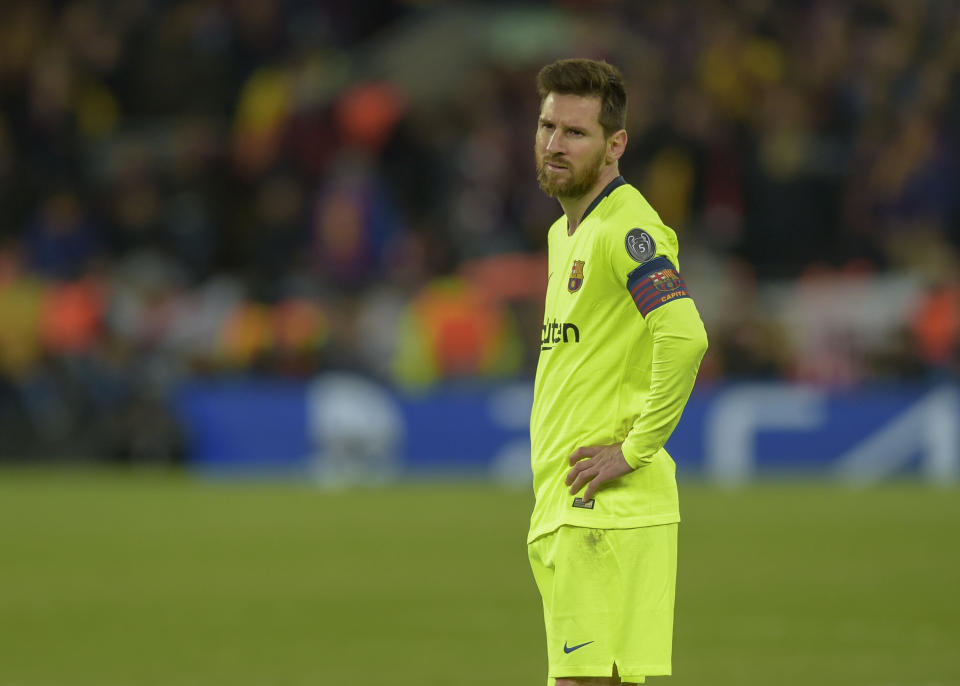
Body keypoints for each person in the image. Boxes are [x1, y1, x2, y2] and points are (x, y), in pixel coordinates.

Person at [527, 58, 708, 686]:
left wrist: (635, 450)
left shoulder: (626, 225)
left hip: (602, 513)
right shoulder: (564, 234)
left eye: (575, 133)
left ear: (615, 144)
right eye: (548, 126)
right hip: (570, 509)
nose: (554, 145)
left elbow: (685, 336)